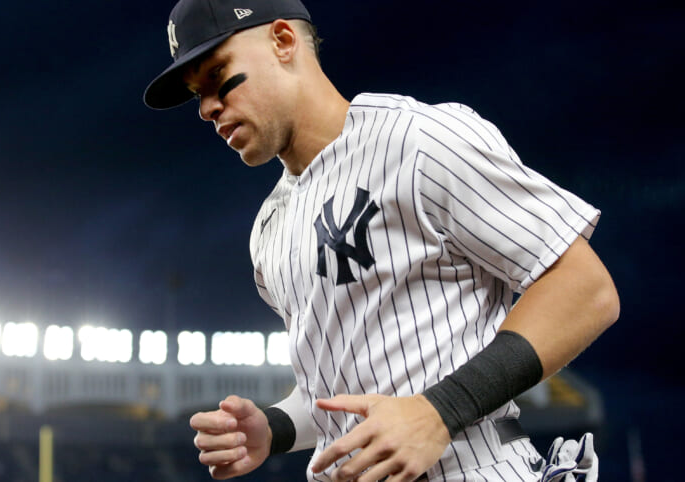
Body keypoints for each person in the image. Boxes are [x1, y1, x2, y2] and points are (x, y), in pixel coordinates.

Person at [143, 1, 620, 480]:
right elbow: (343, 390)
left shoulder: (418, 141)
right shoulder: (270, 228)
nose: (207, 108)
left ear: (283, 41)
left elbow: (585, 289)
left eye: (217, 75)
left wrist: (439, 411)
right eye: (197, 95)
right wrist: (273, 428)